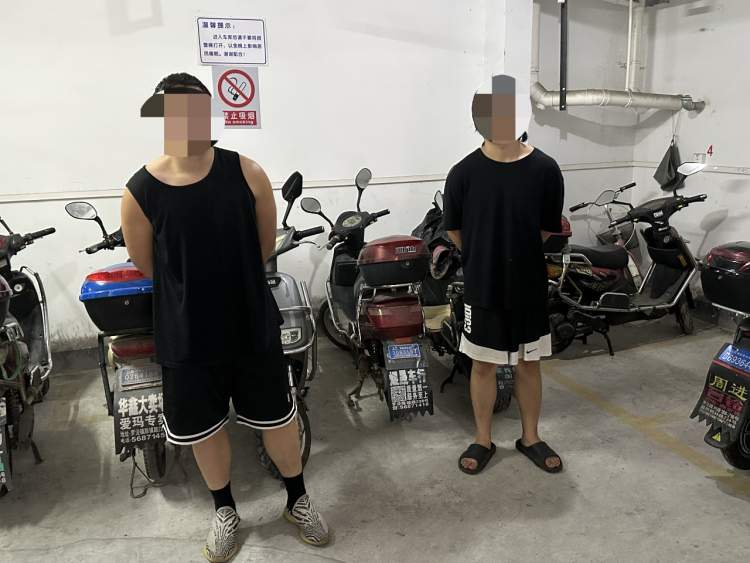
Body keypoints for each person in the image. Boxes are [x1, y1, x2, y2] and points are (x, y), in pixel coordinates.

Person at [121, 72, 329, 561]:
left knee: (278, 419)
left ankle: (297, 500)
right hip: (187, 334)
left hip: (250, 323)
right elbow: (149, 264)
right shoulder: (140, 191)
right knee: (205, 428)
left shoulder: (247, 173)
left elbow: (262, 248)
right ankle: (225, 511)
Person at [443, 74, 565, 476]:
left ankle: (530, 437)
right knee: (482, 364)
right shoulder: (463, 173)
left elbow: (546, 228)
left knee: (529, 363)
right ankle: (483, 439)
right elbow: (455, 230)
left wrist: (514, 249)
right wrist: (487, 254)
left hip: (529, 284)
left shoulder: (545, 169)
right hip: (483, 285)